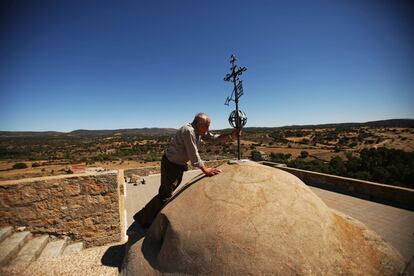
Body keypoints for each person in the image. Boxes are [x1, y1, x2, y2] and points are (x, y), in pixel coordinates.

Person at [133, 112, 239, 229]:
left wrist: (230, 136)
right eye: (207, 126)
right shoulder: (188, 131)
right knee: (165, 194)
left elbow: (213, 138)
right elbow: (193, 153)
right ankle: (143, 218)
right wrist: (205, 170)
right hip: (171, 164)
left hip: (178, 164)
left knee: (167, 192)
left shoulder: (199, 131)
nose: (208, 129)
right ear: (199, 124)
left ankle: (148, 215)